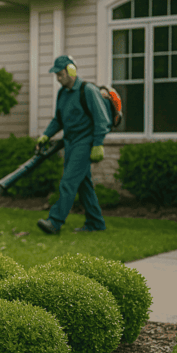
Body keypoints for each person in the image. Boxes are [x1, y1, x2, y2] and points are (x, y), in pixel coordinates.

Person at [36, 55, 111, 234]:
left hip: (85, 143)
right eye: (56, 75)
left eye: (60, 74)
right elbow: (58, 119)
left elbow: (102, 119)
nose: (58, 78)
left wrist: (98, 144)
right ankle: (95, 223)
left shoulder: (88, 90)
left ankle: (54, 222)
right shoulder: (62, 93)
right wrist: (46, 135)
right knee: (84, 186)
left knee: (68, 182)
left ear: (71, 71)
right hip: (70, 143)